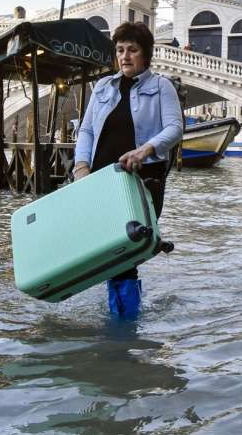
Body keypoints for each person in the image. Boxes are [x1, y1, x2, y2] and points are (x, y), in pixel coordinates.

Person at [73, 22, 184, 319]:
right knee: (110, 249)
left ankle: (123, 328)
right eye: (120, 50)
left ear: (145, 55)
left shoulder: (162, 86)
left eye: (132, 50)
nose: (125, 56)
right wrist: (81, 166)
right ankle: (123, 317)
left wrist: (145, 150)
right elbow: (85, 130)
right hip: (101, 181)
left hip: (142, 180)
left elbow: (175, 128)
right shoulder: (102, 87)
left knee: (123, 253)